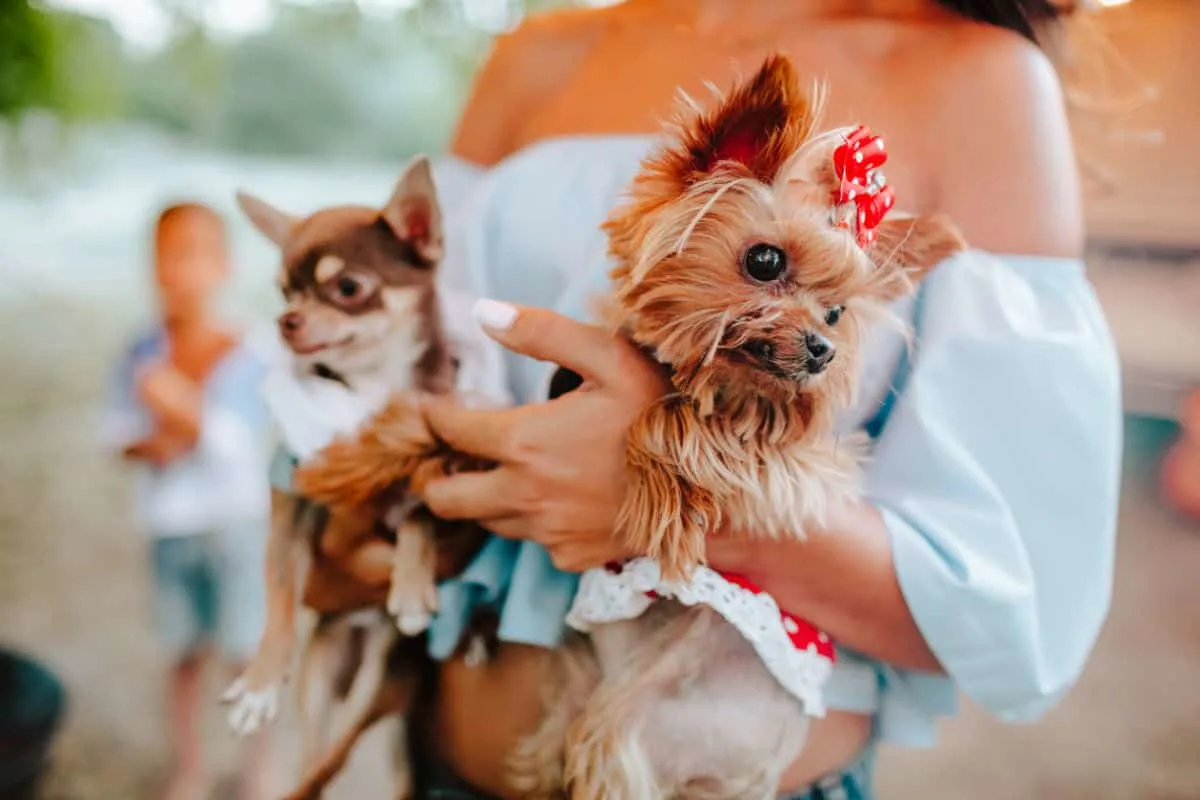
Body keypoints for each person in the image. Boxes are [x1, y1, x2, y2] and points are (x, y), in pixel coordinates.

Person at [331, 1, 1121, 797]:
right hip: (446, 764)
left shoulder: (980, 75)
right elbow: (373, 361)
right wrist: (357, 528)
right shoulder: (532, 55)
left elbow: (1007, 612)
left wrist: (681, 495)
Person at [101, 203, 279, 800]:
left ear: (224, 266)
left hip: (235, 524)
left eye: (194, 254)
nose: (179, 271)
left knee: (244, 654)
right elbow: (115, 431)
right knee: (180, 653)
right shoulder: (139, 351)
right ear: (150, 267)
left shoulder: (250, 348)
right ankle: (192, 766)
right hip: (169, 527)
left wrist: (185, 413)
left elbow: (243, 443)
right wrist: (149, 441)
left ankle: (257, 770)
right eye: (166, 255)